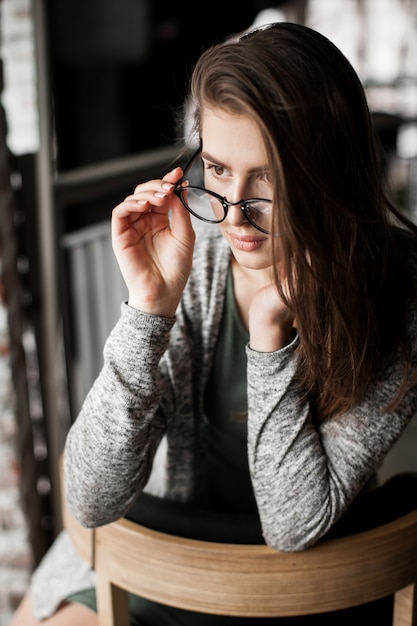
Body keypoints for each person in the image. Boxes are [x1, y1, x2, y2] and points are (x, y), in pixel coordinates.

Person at [10, 21, 417, 626]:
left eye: (269, 179)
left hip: (306, 586)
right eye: (219, 171)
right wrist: (148, 308)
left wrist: (271, 335)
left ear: (329, 172)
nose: (237, 217)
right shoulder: (196, 257)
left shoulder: (396, 293)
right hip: (172, 552)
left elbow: (294, 524)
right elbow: (92, 499)